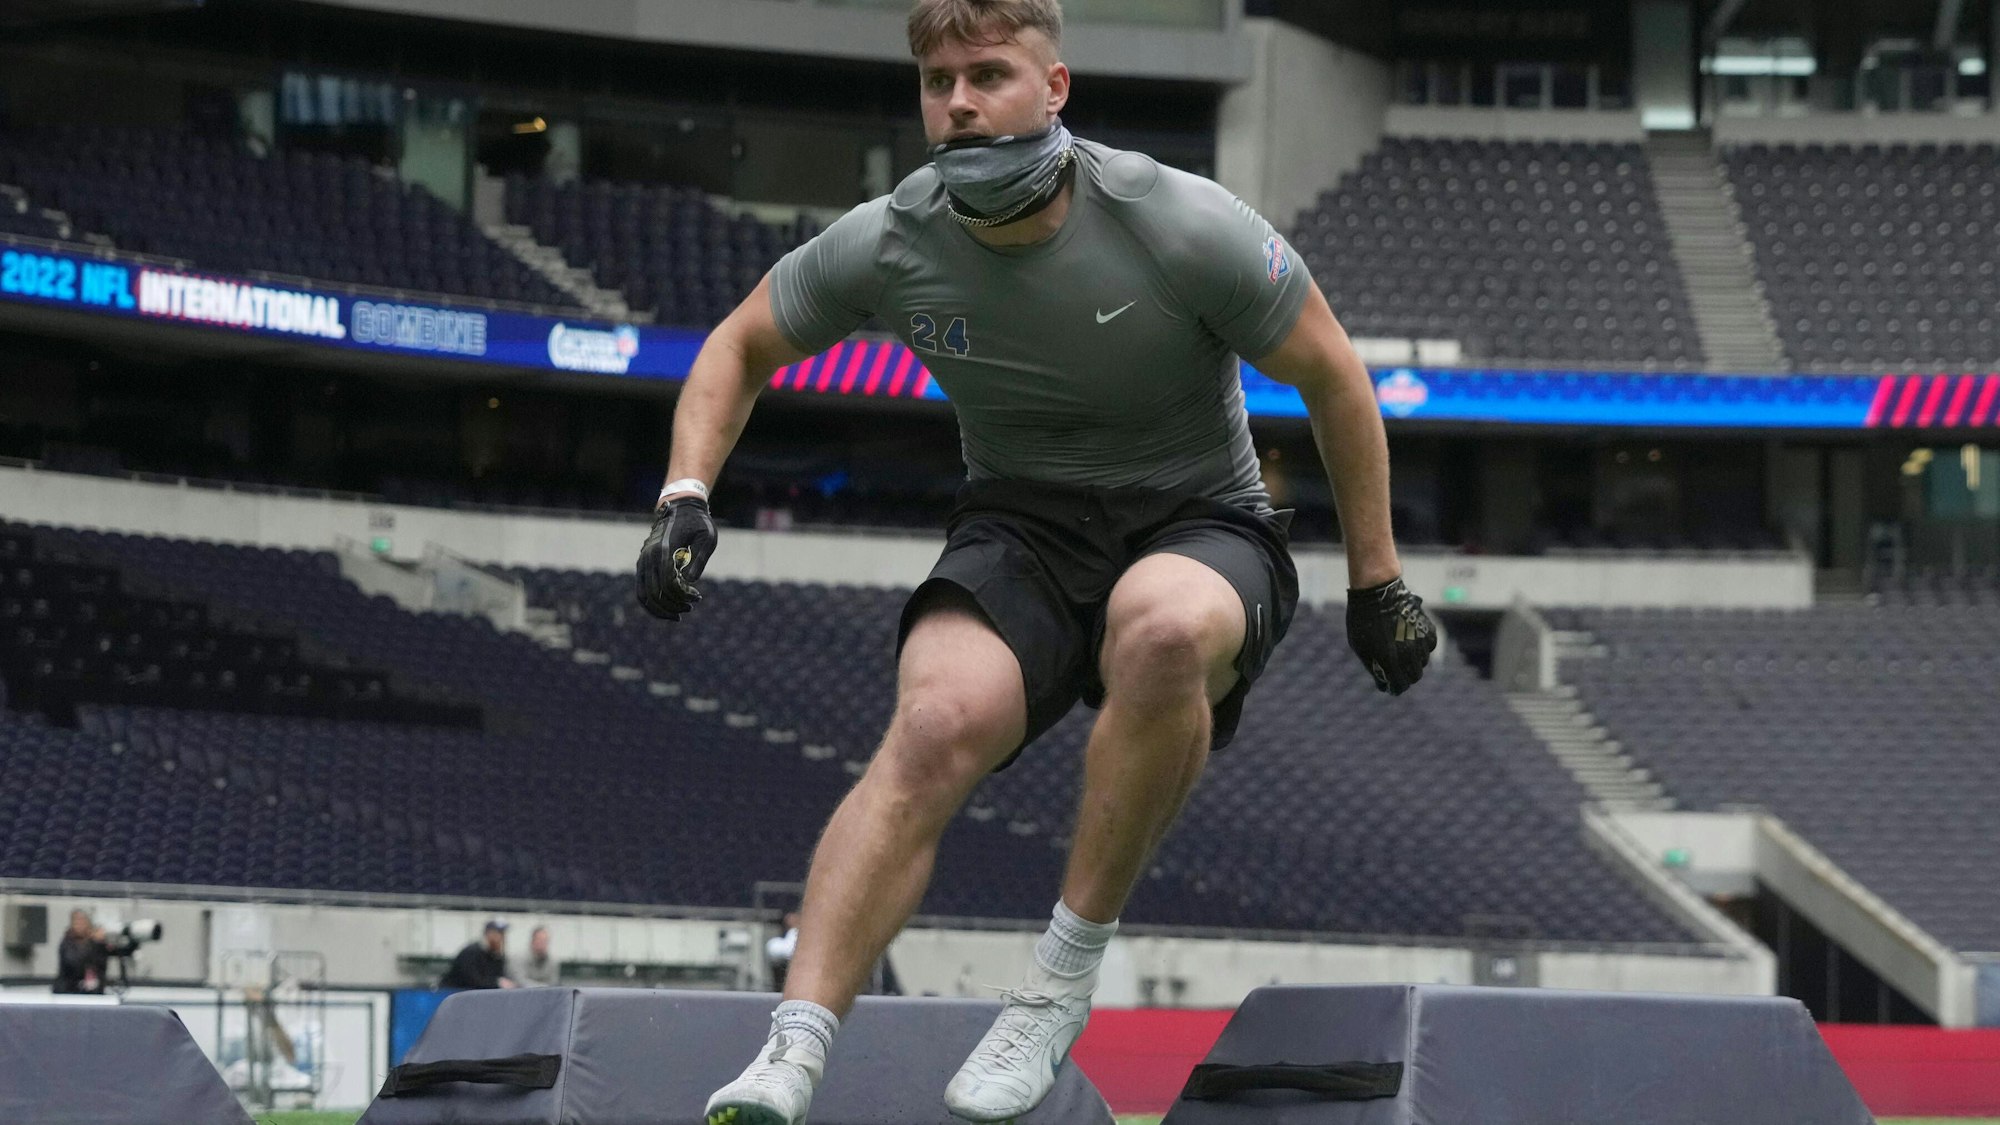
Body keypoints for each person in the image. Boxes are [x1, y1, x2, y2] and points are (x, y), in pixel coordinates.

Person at [634, 2, 1438, 1120]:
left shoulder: (1174, 220)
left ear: (1053, 87)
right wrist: (684, 493)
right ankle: (792, 1049)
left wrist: (1378, 581)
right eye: (936, 80)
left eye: (988, 75)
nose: (957, 102)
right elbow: (738, 344)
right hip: (1018, 521)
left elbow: (1336, 377)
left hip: (1196, 514)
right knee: (931, 726)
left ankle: (1053, 992)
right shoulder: (891, 238)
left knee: (1160, 633)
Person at [439, 920, 517, 990]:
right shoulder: (471, 952)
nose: (501, 939)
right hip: (455, 993)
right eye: (498, 934)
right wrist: (497, 983)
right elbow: (472, 980)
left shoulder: (496, 956)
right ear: (488, 934)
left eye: (503, 934)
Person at [53, 909, 110, 995]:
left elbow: (101, 963)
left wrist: (101, 943)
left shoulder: (95, 943)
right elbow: (73, 962)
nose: (80, 925)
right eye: (76, 922)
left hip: (93, 990)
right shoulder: (67, 942)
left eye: (82, 922)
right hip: (69, 990)